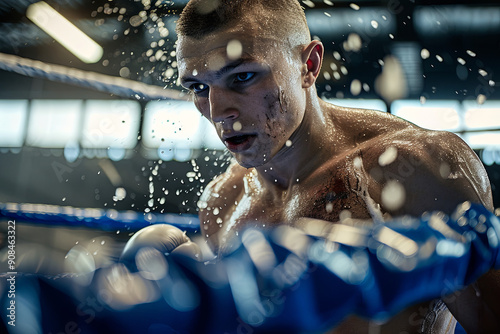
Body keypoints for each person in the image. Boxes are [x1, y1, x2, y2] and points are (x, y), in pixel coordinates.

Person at [173, 0, 500, 332]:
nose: (217, 112)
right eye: (198, 88)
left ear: (308, 65)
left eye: (242, 76)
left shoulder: (416, 165)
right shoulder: (222, 202)